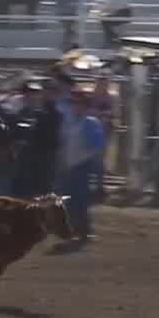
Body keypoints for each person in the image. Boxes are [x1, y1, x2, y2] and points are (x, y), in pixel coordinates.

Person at [57, 90, 107, 244]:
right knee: (70, 199)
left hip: (82, 165)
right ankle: (74, 229)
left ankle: (83, 230)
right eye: (75, 104)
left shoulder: (90, 122)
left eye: (79, 104)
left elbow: (97, 145)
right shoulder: (70, 122)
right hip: (70, 163)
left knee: (80, 199)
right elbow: (63, 143)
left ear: (85, 106)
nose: (76, 107)